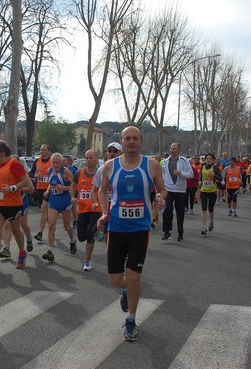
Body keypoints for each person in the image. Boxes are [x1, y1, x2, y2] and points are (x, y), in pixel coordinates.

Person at [96, 126, 166, 341]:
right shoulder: (110, 166)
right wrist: (104, 213)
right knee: (116, 280)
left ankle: (131, 320)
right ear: (122, 141)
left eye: (135, 138)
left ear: (141, 141)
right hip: (116, 229)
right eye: (127, 138)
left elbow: (162, 189)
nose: (131, 141)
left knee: (134, 276)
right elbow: (102, 190)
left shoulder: (151, 165)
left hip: (139, 229)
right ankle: (126, 291)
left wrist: (161, 198)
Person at [0, 141, 31, 274]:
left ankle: (22, 253)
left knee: (16, 231)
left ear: (2, 152)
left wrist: (13, 188)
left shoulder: (14, 164)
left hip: (13, 204)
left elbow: (25, 181)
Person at [41, 153, 76, 263]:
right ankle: (50, 251)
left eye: (57, 163)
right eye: (53, 162)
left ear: (62, 162)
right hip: (54, 201)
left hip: (65, 202)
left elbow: (75, 186)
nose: (55, 165)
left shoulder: (66, 171)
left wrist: (64, 188)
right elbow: (50, 184)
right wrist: (47, 191)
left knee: (67, 226)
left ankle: (72, 240)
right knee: (51, 226)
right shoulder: (50, 170)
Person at [70, 149, 101, 271]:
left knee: (90, 234)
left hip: (96, 209)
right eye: (86, 158)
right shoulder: (79, 173)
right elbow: (73, 186)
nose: (88, 160)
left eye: (91, 158)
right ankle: (77, 239)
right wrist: (72, 197)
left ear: (97, 159)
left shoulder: (100, 173)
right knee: (81, 236)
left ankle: (87, 261)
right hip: (82, 209)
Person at [2, 155, 35, 259]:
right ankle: (6, 248)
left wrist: (16, 188)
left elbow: (31, 189)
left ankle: (29, 239)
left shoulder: (24, 174)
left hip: (22, 202)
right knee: (7, 225)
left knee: (23, 226)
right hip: (10, 203)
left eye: (14, 162)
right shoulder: (6, 173)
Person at [161, 143, 193, 241]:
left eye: (174, 148)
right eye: (171, 148)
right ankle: (167, 231)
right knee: (167, 210)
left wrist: (181, 173)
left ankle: (180, 232)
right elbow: (163, 174)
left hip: (180, 190)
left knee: (180, 212)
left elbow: (191, 174)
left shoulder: (184, 161)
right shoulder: (166, 161)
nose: (172, 150)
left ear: (178, 150)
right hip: (169, 189)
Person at [29, 144, 52, 242]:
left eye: (44, 150)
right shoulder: (37, 161)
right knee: (45, 212)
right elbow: (30, 173)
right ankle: (52, 226)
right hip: (39, 189)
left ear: (48, 151)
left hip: (50, 190)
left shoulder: (52, 161)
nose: (42, 151)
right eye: (41, 150)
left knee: (43, 209)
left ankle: (40, 233)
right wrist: (35, 176)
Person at [199, 153, 223, 235]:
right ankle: (204, 227)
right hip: (204, 191)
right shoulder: (202, 167)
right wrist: (199, 181)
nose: (208, 160)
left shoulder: (215, 168)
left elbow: (220, 178)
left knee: (210, 209)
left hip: (212, 191)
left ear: (213, 160)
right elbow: (201, 177)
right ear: (205, 159)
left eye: (210, 158)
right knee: (203, 209)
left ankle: (211, 221)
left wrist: (213, 175)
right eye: (207, 158)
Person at [63, 154, 79, 230]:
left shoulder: (73, 170)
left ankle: (76, 221)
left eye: (64, 160)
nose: (63, 161)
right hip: (66, 192)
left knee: (73, 207)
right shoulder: (63, 169)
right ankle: (67, 223)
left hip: (73, 191)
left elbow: (75, 182)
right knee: (68, 208)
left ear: (69, 162)